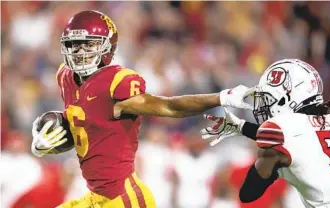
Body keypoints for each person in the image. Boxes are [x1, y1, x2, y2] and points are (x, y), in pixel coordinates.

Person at [30, 10, 251, 208]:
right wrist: (50, 138)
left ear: (107, 46)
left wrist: (221, 97)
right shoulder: (66, 77)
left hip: (124, 199)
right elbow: (87, 127)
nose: (80, 52)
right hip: (95, 197)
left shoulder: (116, 82)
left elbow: (169, 106)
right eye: (75, 45)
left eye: (89, 45)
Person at [201, 59, 330, 207]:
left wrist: (241, 127)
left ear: (290, 97)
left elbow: (248, 194)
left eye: (269, 98)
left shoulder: (281, 130)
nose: (264, 105)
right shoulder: (327, 121)